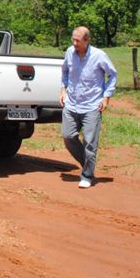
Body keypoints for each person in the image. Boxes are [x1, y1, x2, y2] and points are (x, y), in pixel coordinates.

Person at [59, 26, 118, 189]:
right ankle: (88, 163)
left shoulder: (99, 56)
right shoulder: (70, 52)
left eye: (78, 40)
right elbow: (64, 72)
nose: (74, 43)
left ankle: (87, 175)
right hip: (72, 103)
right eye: (73, 39)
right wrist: (63, 90)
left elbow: (113, 75)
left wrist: (106, 97)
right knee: (68, 136)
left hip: (92, 104)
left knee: (90, 142)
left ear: (87, 40)